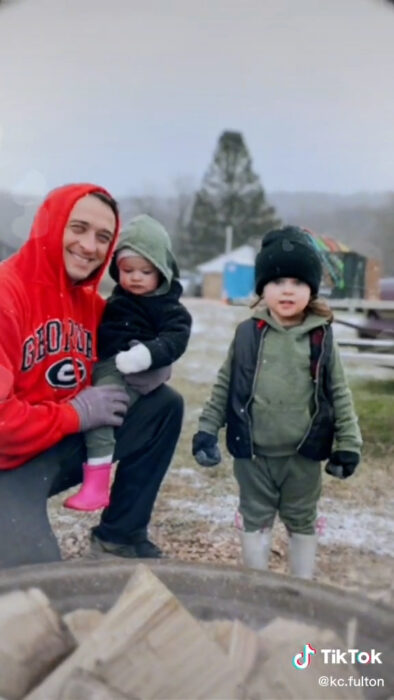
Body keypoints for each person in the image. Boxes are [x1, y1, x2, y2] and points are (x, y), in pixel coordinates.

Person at [0, 184, 184, 567]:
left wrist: (154, 362)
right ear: (49, 226)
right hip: (6, 462)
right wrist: (74, 414)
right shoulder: (7, 294)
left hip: (50, 448)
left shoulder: (93, 306)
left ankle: (121, 536)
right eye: (78, 228)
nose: (89, 246)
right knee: (33, 579)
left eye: (103, 237)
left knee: (163, 404)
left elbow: (133, 346)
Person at [192, 226, 362, 579]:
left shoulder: (321, 337)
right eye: (277, 281)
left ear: (311, 290)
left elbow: (340, 392)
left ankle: (300, 593)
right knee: (254, 519)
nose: (287, 289)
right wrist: (207, 430)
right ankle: (259, 591)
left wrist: (349, 443)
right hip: (254, 455)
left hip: (302, 456)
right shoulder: (246, 334)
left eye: (298, 282)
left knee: (302, 519)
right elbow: (225, 384)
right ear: (262, 288)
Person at [63, 214, 192, 511]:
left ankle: (96, 484)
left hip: (126, 370)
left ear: (162, 270)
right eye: (127, 270)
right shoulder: (115, 300)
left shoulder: (168, 307)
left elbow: (175, 338)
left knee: (101, 414)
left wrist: (147, 355)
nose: (135, 277)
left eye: (145, 271)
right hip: (99, 365)